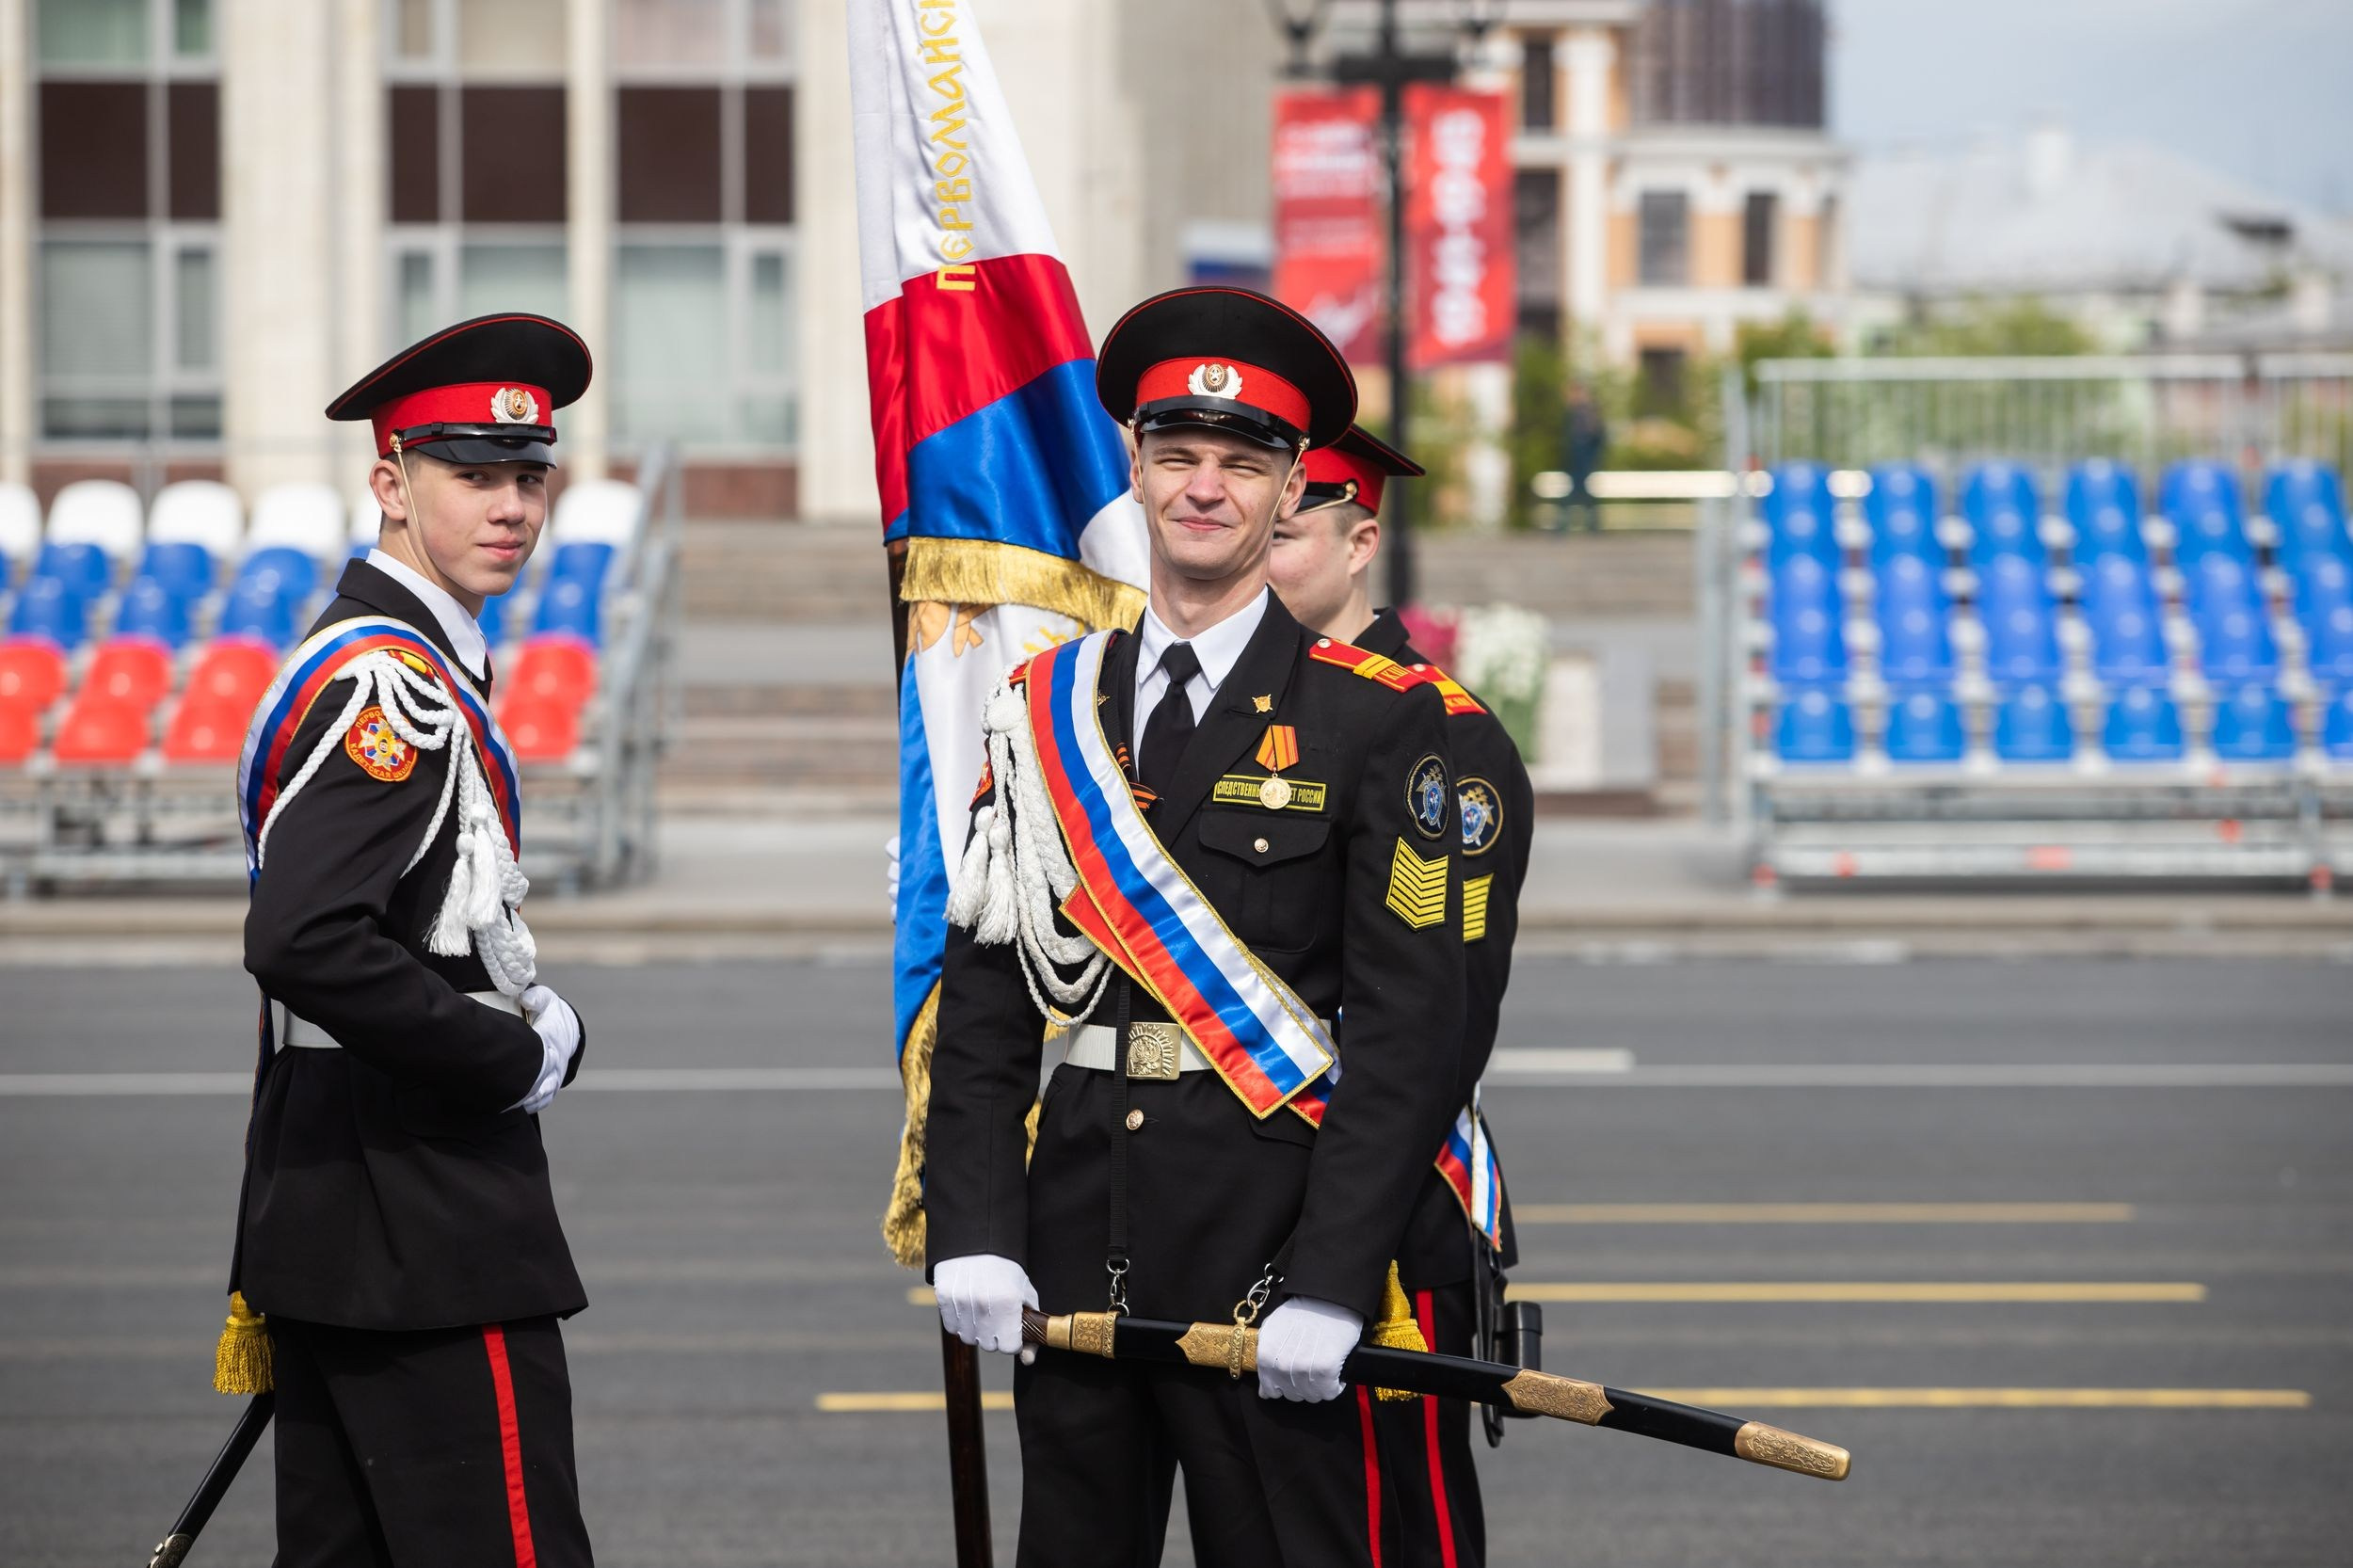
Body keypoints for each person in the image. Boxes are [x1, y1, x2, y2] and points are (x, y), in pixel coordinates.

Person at [924, 286, 1469, 1567]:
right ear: (1136, 467)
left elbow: (1410, 1037)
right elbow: (990, 991)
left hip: (1271, 1248)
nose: (1205, 486)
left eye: (1242, 461)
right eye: (1178, 454)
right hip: (1076, 1241)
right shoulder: (1046, 704)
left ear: (1291, 492)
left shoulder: (1378, 723)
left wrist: (1336, 1278)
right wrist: (977, 1225)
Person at [214, 313, 597, 1567]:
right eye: (471, 474)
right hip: (422, 1199)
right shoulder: (396, 686)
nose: (511, 506)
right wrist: (512, 1054)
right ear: (390, 482)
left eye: (527, 475)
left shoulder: (405, 656)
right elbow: (307, 938)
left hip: (336, 1185)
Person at [1272, 424, 1536, 1568]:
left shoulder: (1442, 735)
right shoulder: (1230, 709)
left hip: (1382, 1210)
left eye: (1282, 533)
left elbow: (1434, 1018)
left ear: (1359, 538)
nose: (1248, 554)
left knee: (1392, 1531)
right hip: (1241, 1191)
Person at [1562, 380, 1607, 533]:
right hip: (1577, 458)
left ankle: (1563, 527)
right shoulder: (1576, 412)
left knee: (1578, 493)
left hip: (1584, 457)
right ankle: (1592, 527)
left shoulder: (1588, 413)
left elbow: (1596, 436)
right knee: (1580, 493)